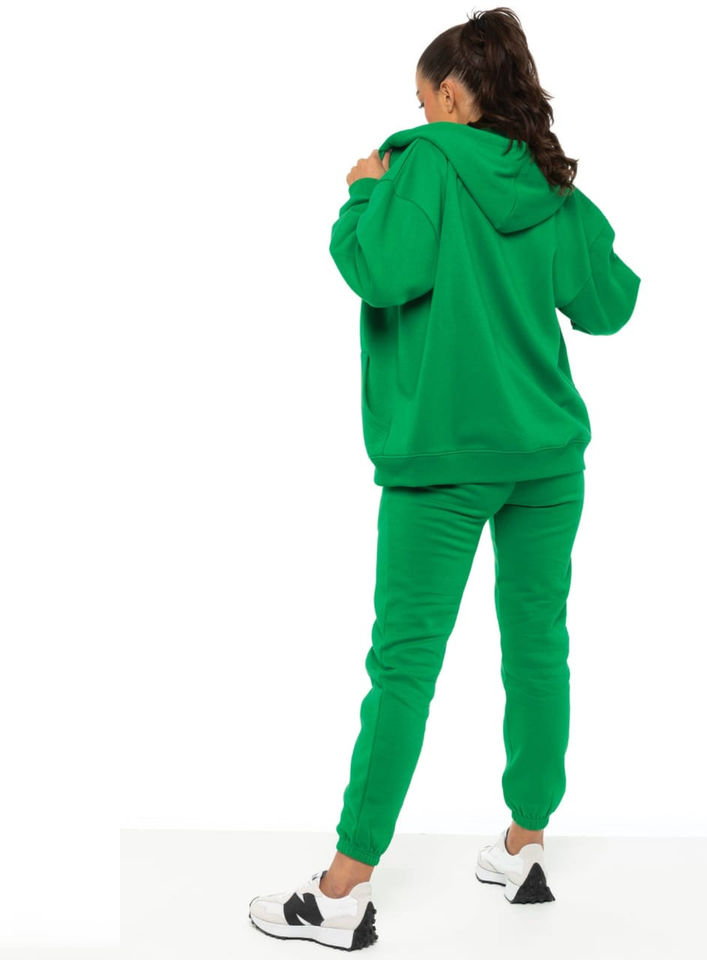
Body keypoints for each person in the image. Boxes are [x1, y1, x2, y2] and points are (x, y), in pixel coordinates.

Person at [249, 7, 640, 950]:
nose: (419, 112)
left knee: (403, 668)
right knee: (538, 649)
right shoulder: (547, 183)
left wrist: (360, 193)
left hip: (443, 462)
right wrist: (560, 217)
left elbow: (377, 271)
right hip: (547, 460)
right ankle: (525, 845)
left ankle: (341, 893)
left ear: (456, 96)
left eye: (424, 97)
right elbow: (610, 305)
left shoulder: (417, 161)